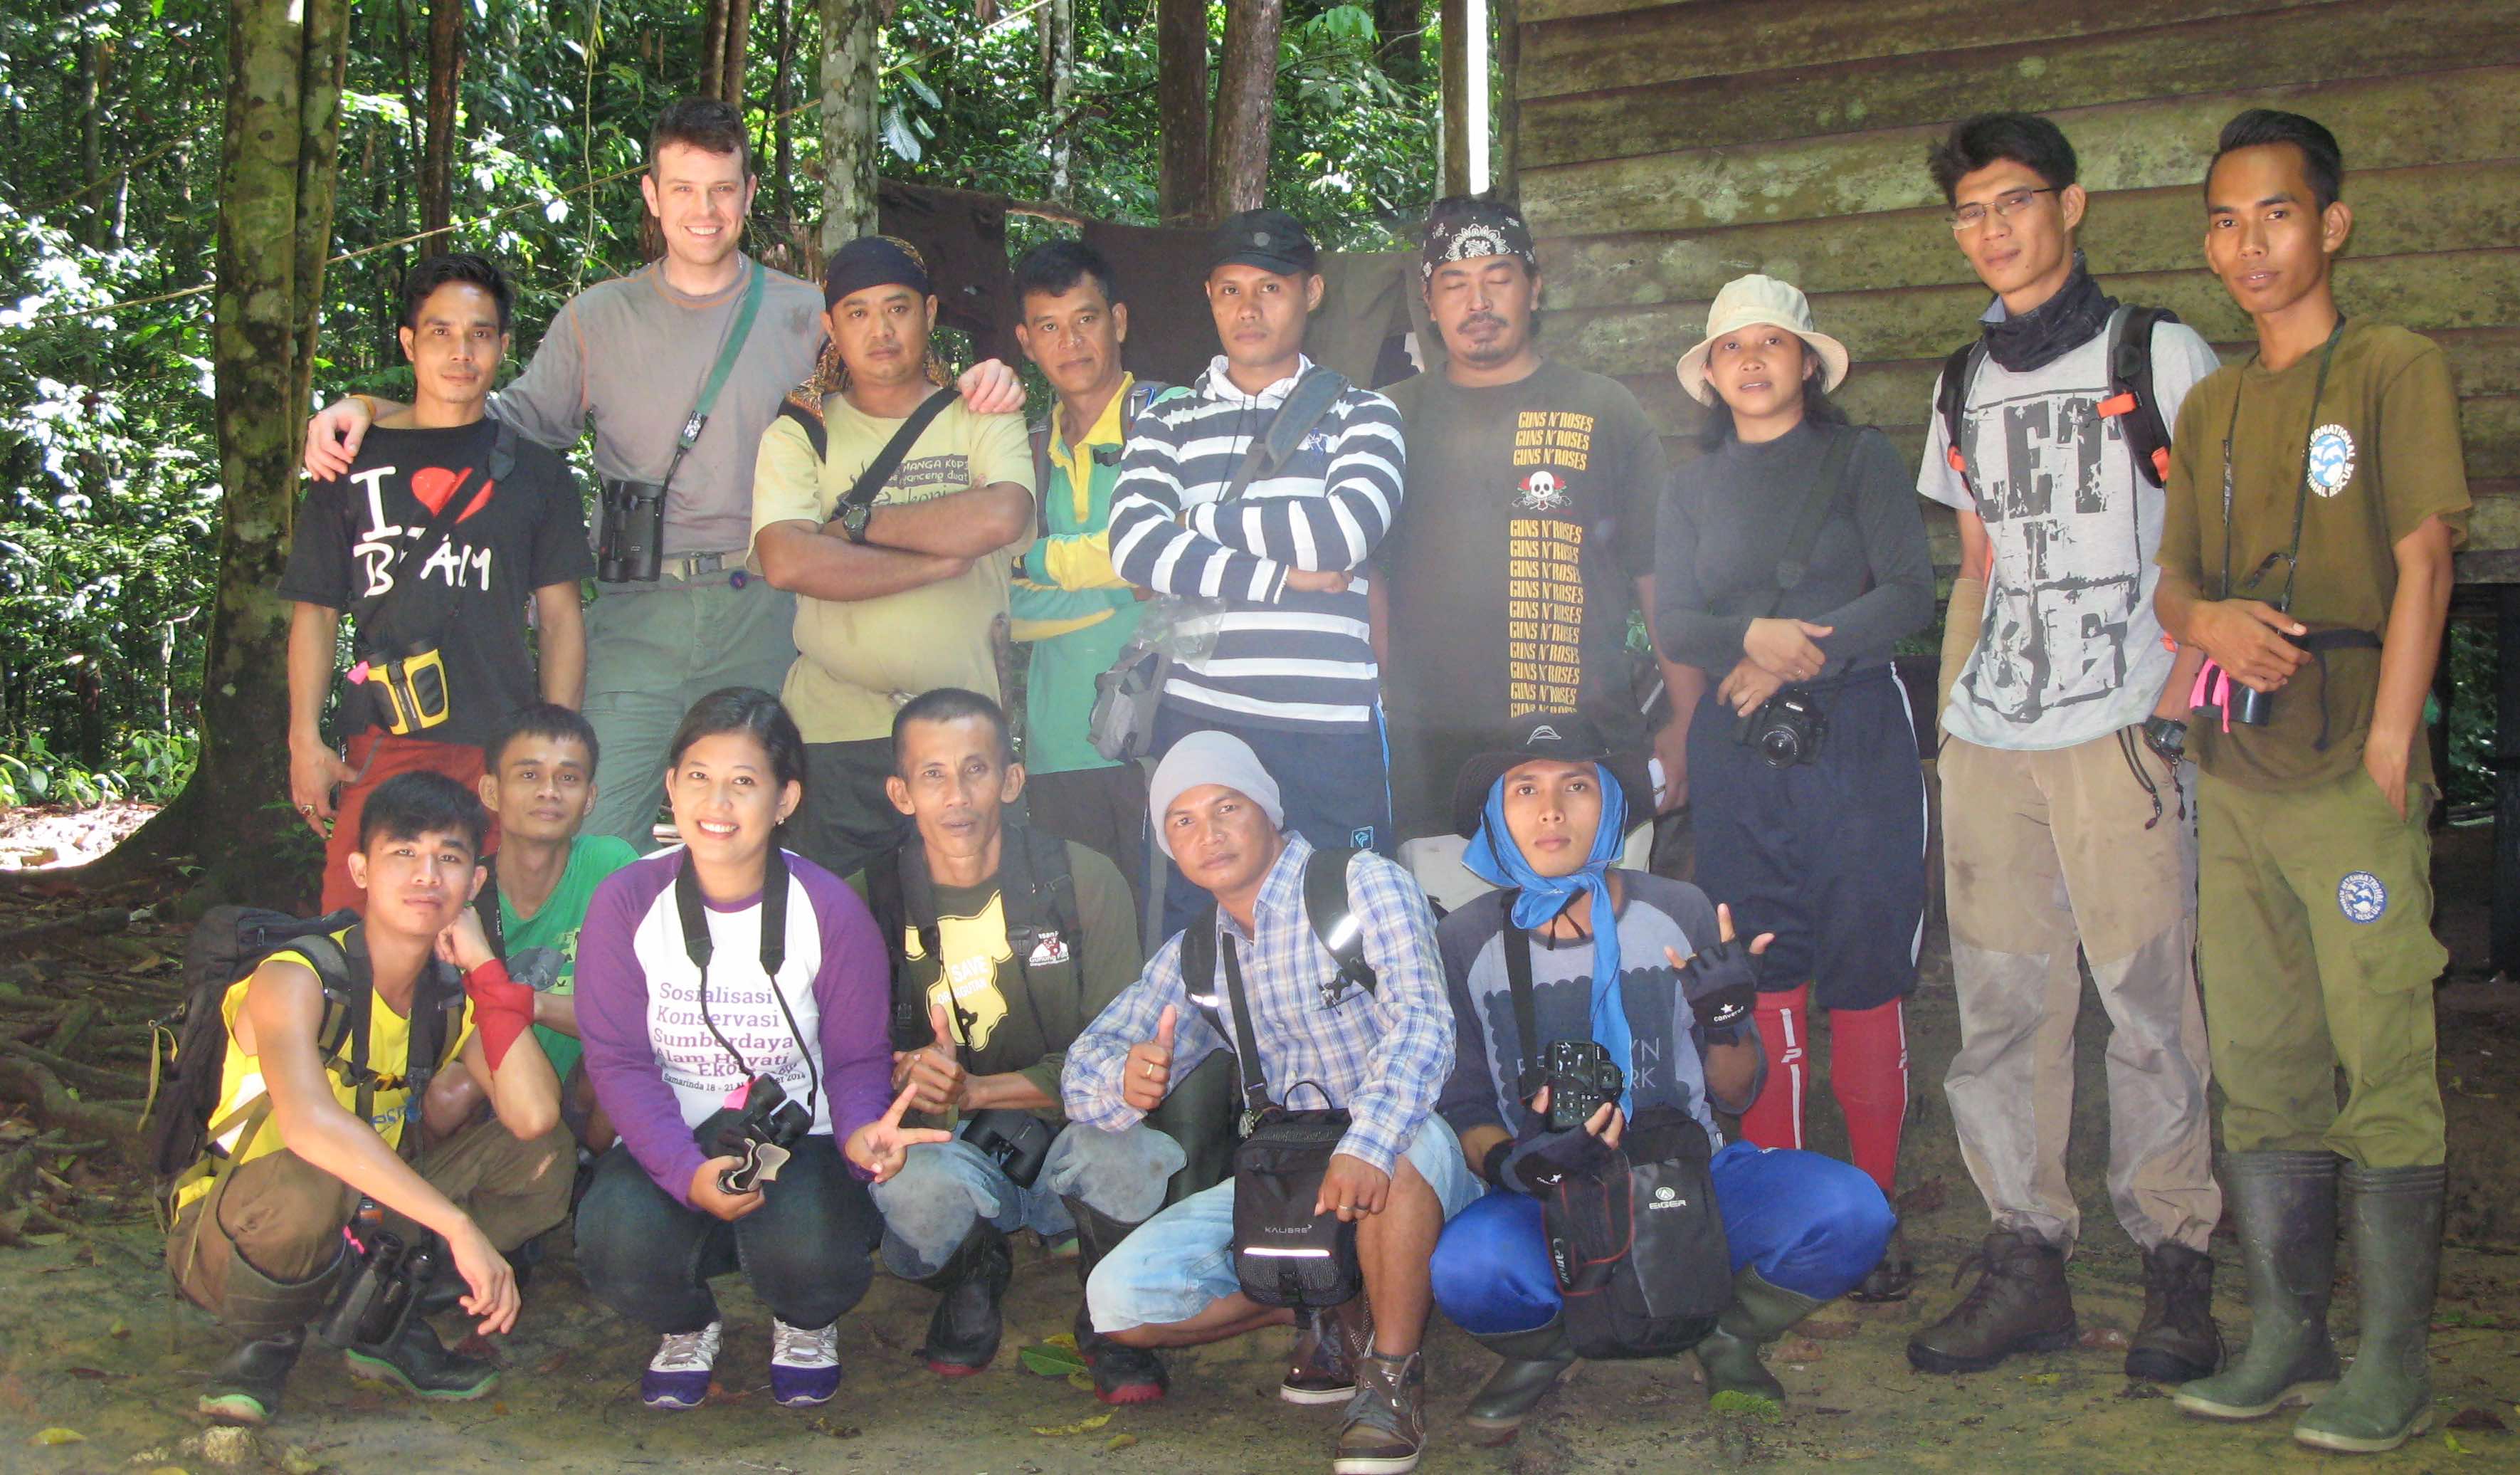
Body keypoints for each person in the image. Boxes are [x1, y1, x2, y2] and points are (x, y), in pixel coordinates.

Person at [301, 99, 1023, 849]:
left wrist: (987, 379)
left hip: (767, 608)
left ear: (747, 195)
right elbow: (497, 422)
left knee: (761, 839)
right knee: (592, 834)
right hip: (633, 612)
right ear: (651, 195)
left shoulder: (807, 315)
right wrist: (368, 406)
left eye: (721, 189)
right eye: (682, 188)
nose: (703, 211)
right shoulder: (599, 318)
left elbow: (899, 383)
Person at [2154, 110, 2467, 1454]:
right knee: (2264, 1057)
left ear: (2329, 223)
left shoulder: (2392, 365)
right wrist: (2203, 622)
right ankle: (2290, 1332)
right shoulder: (2212, 402)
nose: (2248, 244)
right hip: (2237, 776)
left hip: (2352, 773)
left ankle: (2393, 1362)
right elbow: (2172, 582)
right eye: (2224, 220)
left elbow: (2425, 559)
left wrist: (2392, 752)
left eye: (2274, 213)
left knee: (2380, 1045)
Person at [1908, 112, 2227, 1382]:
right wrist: (1949, 725)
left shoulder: (2158, 351)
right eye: (1972, 211)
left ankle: (2175, 1264)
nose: (1994, 230)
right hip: (1993, 739)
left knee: (2148, 1000)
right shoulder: (1960, 382)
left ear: (2071, 205)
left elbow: (2215, 533)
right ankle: (2025, 1255)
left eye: (2015, 203)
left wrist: (2182, 710)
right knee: (1998, 1008)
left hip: (2122, 730)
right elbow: (1975, 565)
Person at [1425, 715, 1894, 1440]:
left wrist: (1730, 1014)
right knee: (1465, 1268)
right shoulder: (1463, 939)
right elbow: (1462, 1102)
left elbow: (1736, 1093)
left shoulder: (1679, 909)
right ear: (1495, 812)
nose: (1550, 810)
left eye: (1576, 786)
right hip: (1550, 1191)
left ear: (1611, 804)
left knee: (1851, 1210)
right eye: (1524, 789)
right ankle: (1551, 1348)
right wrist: (1515, 1164)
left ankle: (1727, 1332)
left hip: (1685, 1172)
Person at [1063, 732, 1477, 1474]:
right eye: (1182, 821)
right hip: (1295, 1168)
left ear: (1269, 810)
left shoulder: (1358, 883)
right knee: (1117, 1305)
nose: (1208, 833)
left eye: (1227, 805)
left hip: (1414, 1140)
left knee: (1398, 1151)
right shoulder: (1198, 951)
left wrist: (1366, 1140)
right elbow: (1084, 1063)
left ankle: (1389, 1374)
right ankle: (1324, 1305)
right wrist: (1121, 1080)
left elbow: (1423, 1020)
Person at [1652, 273, 1934, 1303]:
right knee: (1761, 964)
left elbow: (1909, 590)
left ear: (1808, 363)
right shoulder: (1687, 490)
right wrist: (1746, 642)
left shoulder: (1858, 459)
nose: (1756, 362)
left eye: (1775, 344)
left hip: (1855, 743)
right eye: (1735, 349)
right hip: (1739, 759)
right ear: (1712, 374)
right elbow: (1676, 621)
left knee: (1863, 969)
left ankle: (1873, 1212)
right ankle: (1786, 1214)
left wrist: (1788, 652)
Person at [572, 687, 946, 1412]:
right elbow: (618, 1060)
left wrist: (865, 1133)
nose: (718, 800)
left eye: (744, 781)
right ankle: (686, 1323)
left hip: (794, 1136)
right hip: (670, 1128)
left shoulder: (829, 906)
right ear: (672, 785)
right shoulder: (626, 900)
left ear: (784, 798)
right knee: (613, 1240)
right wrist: (684, 1169)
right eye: (699, 775)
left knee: (814, 1253)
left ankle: (804, 1319)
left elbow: (854, 1058)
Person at [165, 770, 572, 1426]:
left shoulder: (447, 994)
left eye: (449, 857)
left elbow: (533, 1116)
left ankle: (384, 1321)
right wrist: (457, 1225)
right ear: (360, 869)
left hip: (364, 1219)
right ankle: (265, 1343)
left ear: (474, 884)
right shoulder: (295, 977)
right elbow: (310, 1127)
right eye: (403, 853)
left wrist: (484, 969)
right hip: (239, 1230)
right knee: (315, 1177)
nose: (426, 875)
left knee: (543, 1158)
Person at [857, 687, 1184, 1402]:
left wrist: (979, 1088)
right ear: (901, 792)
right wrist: (904, 1074)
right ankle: (976, 1274)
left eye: (976, 769)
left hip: (1075, 1137)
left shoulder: (1082, 879)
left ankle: (1111, 1312)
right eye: (933, 774)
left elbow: (1116, 1055)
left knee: (1130, 1154)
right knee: (906, 1184)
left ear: (1010, 779)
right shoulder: (870, 900)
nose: (957, 794)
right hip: (949, 1148)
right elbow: (844, 1059)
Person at [1375, 199, 1692, 909]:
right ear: (1428, 299)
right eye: (1454, 281)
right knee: (1462, 983)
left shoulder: (1603, 408)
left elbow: (1658, 576)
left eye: (1498, 276)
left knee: (1594, 971)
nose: (1477, 299)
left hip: (1587, 755)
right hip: (1435, 765)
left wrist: (1685, 718)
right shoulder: (1387, 419)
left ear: (1535, 287)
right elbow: (1367, 586)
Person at [1107, 210, 1408, 937]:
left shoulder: (1364, 413)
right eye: (1230, 290)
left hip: (1330, 729)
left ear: (1311, 292)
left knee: (1351, 927)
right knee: (1204, 934)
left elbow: (1340, 533)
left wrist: (1197, 519)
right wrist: (1283, 580)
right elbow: (1132, 549)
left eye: (1270, 288)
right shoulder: (1166, 422)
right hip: (1204, 724)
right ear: (1209, 295)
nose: (1248, 310)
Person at [282, 252, 589, 912]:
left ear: (503, 347)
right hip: (380, 739)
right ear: (409, 343)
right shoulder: (349, 465)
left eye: (479, 333)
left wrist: (555, 748)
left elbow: (561, 619)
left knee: (480, 943)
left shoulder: (537, 473)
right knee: (357, 928)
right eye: (440, 331)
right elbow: (316, 612)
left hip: (498, 748)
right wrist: (304, 738)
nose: (461, 351)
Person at [751, 236, 1037, 881]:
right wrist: (933, 561)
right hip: (833, 734)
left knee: (962, 931)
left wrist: (855, 525)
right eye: (857, 313)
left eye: (898, 309)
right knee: (838, 929)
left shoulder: (980, 412)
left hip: (959, 739)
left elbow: (1001, 515)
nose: (880, 330)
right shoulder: (803, 430)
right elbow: (788, 562)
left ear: (930, 313)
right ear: (831, 327)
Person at [1006, 240, 1181, 898]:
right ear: (1026, 341)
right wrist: (1118, 588)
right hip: (1056, 748)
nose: (1069, 342)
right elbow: (1002, 604)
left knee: (1172, 939)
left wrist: (1036, 560)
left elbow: (1174, 552)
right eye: (1048, 327)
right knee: (1086, 946)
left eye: (1086, 320)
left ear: (1120, 322)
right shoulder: (1022, 452)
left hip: (1165, 740)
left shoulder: (1174, 418)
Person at [467, 703, 639, 1152]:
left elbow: (636, 1015)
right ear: (491, 791)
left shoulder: (610, 867)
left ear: (590, 797)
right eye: (528, 776)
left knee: (623, 1064)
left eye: (568, 778)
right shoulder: (466, 889)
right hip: (494, 1085)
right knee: (450, 1094)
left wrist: (527, 1002)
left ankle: (599, 1185)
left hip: (582, 1087)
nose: (549, 792)